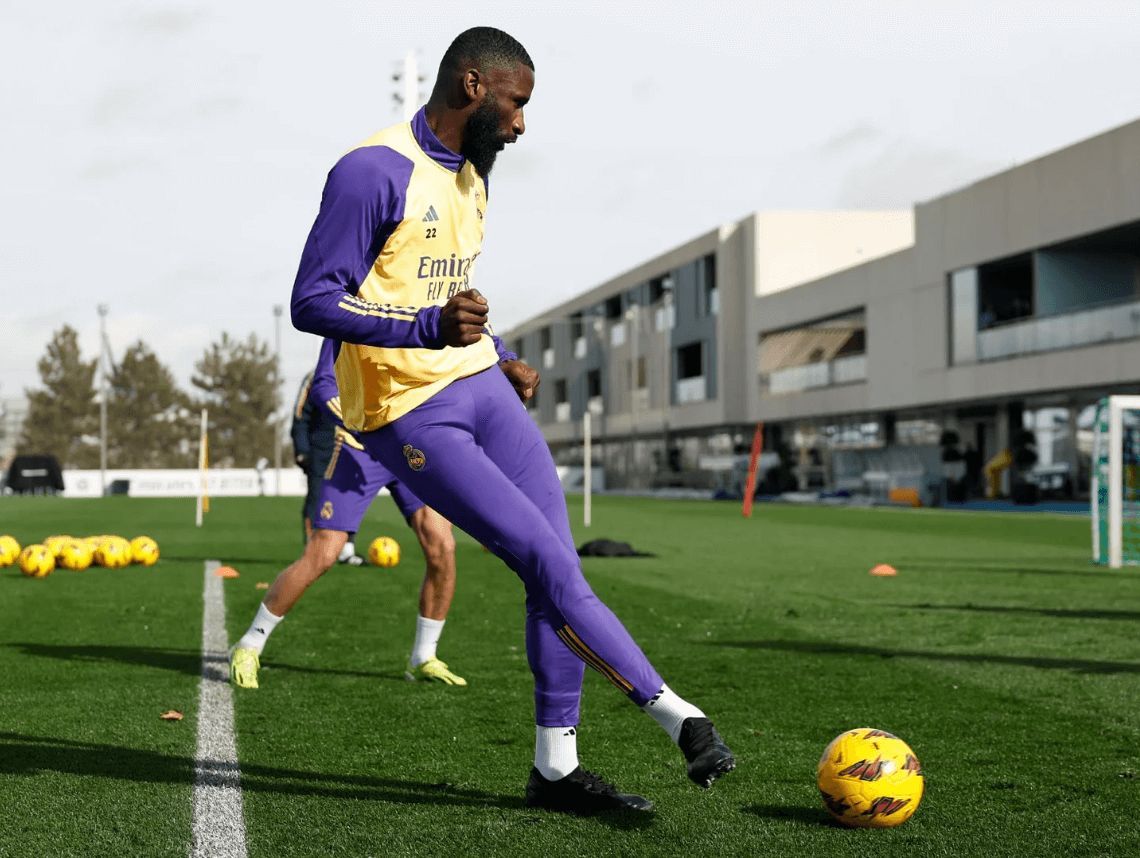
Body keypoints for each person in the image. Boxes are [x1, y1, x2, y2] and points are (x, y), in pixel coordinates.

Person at [289, 26, 734, 815]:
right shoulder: (372, 172)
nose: (523, 123)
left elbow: (446, 291)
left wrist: (499, 354)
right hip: (407, 412)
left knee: (555, 564)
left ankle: (555, 770)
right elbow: (314, 302)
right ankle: (679, 717)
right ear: (472, 85)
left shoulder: (473, 179)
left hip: (480, 389)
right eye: (517, 103)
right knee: (543, 560)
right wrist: (426, 333)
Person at [230, 338, 470, 689]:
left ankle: (424, 657)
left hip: (410, 446)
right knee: (323, 553)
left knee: (442, 545)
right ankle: (250, 644)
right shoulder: (352, 313)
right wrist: (358, 424)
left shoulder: (423, 306)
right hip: (359, 447)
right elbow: (324, 384)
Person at [290, 362, 363, 562]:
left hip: (350, 449)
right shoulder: (314, 377)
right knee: (316, 498)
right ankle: (311, 548)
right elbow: (300, 416)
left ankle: (347, 550)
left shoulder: (356, 370)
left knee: (351, 498)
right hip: (320, 451)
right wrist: (302, 449)